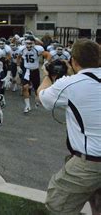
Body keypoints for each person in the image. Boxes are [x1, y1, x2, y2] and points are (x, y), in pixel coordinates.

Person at [38, 39, 101, 215]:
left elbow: (43, 98)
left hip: (90, 162)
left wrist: (48, 75)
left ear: (73, 60)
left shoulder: (69, 84)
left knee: (58, 205)